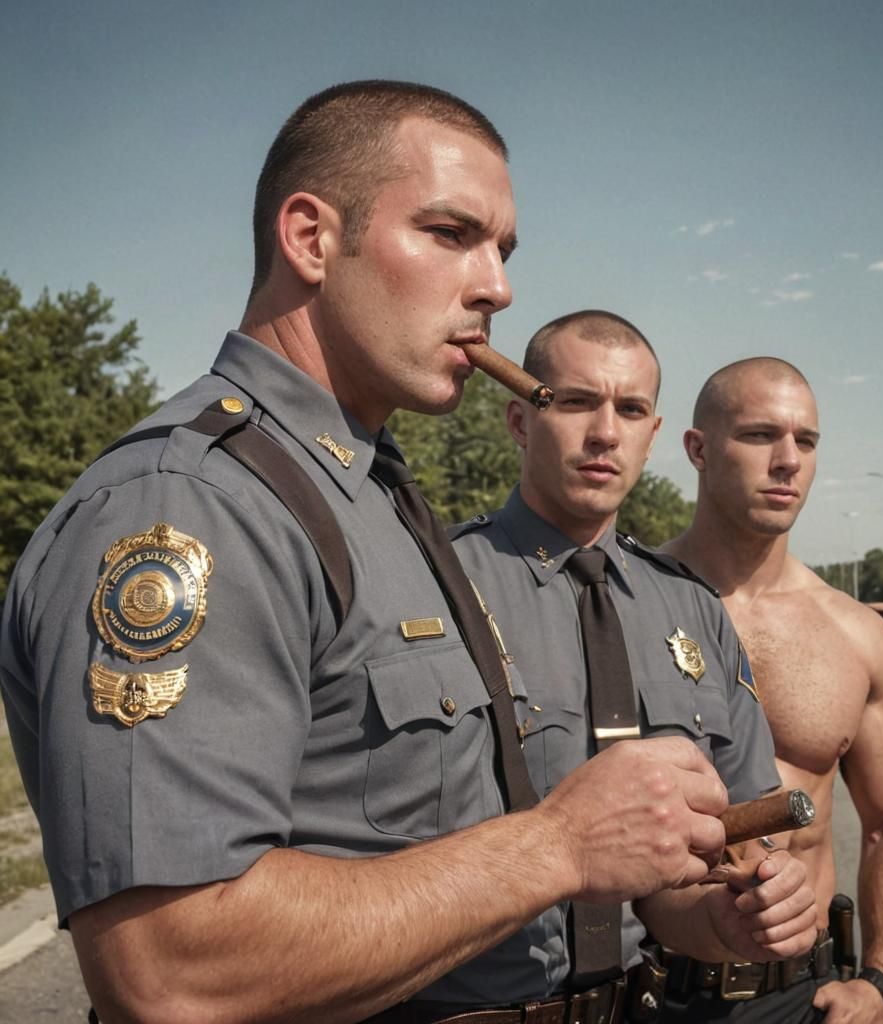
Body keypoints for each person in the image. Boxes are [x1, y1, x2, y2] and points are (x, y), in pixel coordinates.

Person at [1, 80, 741, 1024]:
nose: (497, 287)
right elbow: (172, 971)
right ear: (310, 237)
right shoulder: (197, 503)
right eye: (449, 233)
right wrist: (556, 845)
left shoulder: (367, 493)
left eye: (503, 250)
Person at [449, 312, 819, 989]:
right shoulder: (434, 583)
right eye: (575, 402)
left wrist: (733, 916)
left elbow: (717, 851)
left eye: (631, 409)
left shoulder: (692, 609)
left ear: (653, 438)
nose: (604, 433)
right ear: (518, 421)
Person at [659, 357, 883, 1022]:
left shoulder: (855, 634)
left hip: (796, 994)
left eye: (805, 442)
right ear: (697, 449)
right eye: (759, 436)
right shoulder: (623, 603)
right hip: (643, 986)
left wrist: (882, 979)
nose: (789, 461)